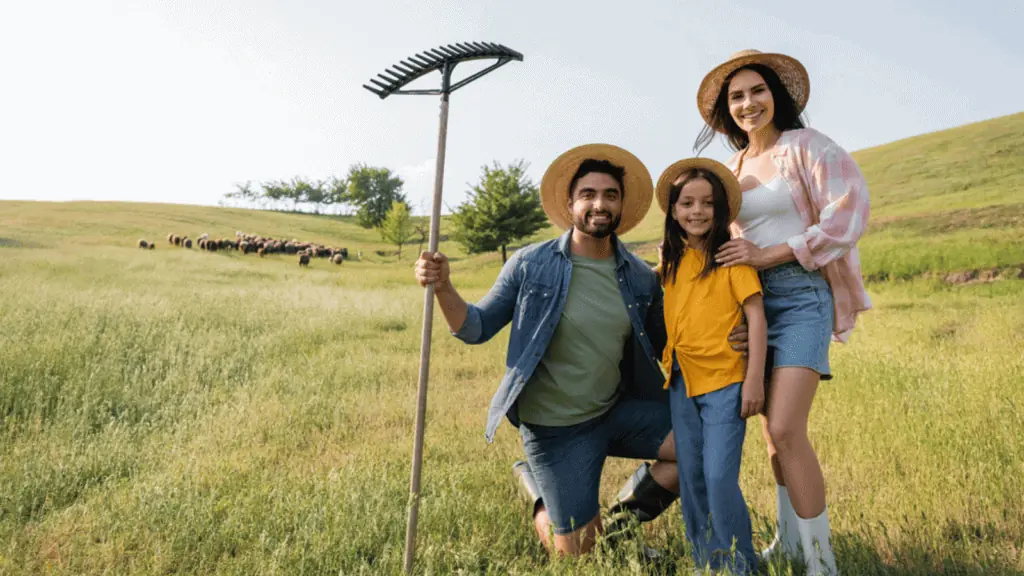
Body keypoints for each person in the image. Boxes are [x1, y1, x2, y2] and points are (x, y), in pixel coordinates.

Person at [414, 144, 683, 556]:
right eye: (588, 194)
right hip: (554, 430)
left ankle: (617, 527)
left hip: (614, 411)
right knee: (576, 554)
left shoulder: (639, 278)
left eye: (610, 194)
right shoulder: (530, 264)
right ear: (571, 203)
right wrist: (444, 286)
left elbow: (672, 342)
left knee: (700, 445)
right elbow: (475, 327)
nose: (599, 203)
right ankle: (540, 490)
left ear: (622, 205)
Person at [693, 49, 872, 575]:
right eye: (737, 96)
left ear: (777, 95)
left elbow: (849, 214)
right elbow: (717, 238)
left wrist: (771, 254)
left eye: (757, 91)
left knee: (789, 426)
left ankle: (822, 563)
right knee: (771, 433)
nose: (749, 103)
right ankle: (790, 541)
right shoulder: (730, 170)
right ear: (727, 110)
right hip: (749, 305)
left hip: (799, 296)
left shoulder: (807, 147)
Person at [655, 158, 767, 574]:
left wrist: (754, 377)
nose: (697, 212)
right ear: (674, 210)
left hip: (725, 381)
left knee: (719, 477)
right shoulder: (670, 261)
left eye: (707, 204)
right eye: (687, 203)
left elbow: (755, 314)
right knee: (693, 478)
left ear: (720, 211)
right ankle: (709, 564)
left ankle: (742, 566)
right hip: (681, 380)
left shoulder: (732, 259)